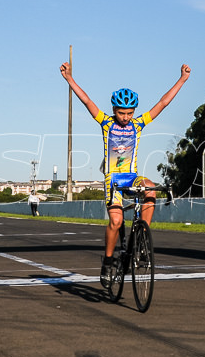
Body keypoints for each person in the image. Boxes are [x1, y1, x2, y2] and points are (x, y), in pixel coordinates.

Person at [60, 60, 190, 286]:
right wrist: (70, 79)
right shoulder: (106, 123)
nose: (126, 117)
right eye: (122, 113)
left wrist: (182, 79)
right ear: (114, 110)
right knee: (117, 221)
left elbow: (163, 103)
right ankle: (108, 261)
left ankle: (142, 237)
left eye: (129, 113)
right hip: (113, 179)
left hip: (131, 176)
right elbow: (87, 100)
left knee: (151, 188)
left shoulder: (138, 125)